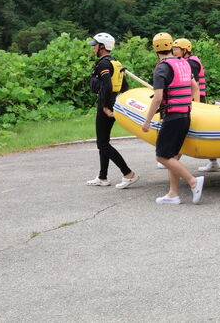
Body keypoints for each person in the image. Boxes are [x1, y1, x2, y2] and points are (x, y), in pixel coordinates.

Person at [142, 32, 204, 205]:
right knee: (173, 156)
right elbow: (194, 87)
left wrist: (147, 121)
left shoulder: (162, 68)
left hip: (172, 117)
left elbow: (157, 98)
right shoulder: (183, 63)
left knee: (161, 156)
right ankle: (173, 194)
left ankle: (193, 181)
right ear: (170, 45)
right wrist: (185, 102)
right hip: (185, 115)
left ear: (155, 48)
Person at [86, 33, 138, 189]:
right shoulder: (116, 62)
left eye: (95, 45)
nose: (93, 48)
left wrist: (105, 106)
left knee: (102, 144)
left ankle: (128, 173)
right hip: (114, 101)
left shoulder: (103, 64)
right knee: (103, 141)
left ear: (102, 47)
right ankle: (103, 177)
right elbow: (125, 86)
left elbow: (107, 86)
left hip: (107, 104)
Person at [173, 38, 220, 173]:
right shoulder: (186, 61)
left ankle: (172, 159)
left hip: (195, 100)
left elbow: (195, 87)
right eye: (173, 49)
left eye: (176, 49)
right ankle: (213, 162)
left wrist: (196, 105)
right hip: (193, 99)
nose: (174, 52)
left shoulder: (192, 63)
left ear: (185, 50)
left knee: (184, 131)